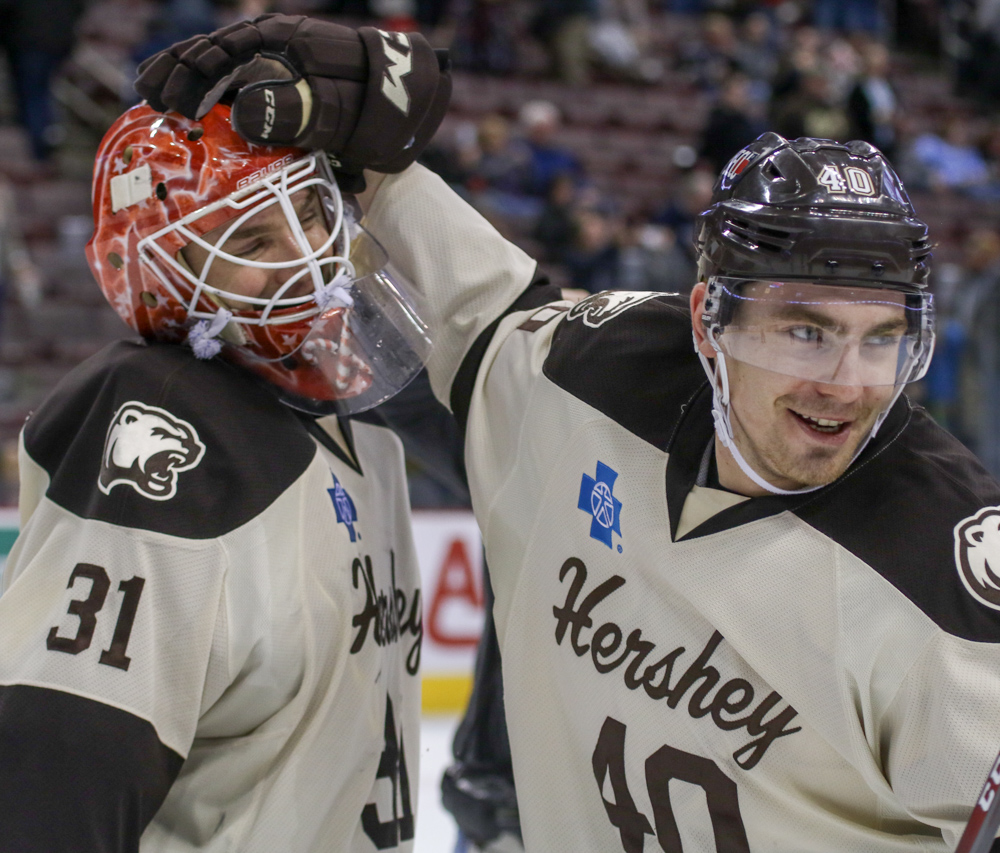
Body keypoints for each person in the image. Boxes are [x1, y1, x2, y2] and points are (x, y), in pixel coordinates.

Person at [141, 17, 1000, 851]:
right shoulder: (593, 377)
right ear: (708, 321)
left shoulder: (951, 579)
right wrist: (364, 131)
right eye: (804, 331)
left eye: (882, 338)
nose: (846, 383)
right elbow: (474, 302)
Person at [0, 18, 453, 850]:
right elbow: (55, 780)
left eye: (313, 211)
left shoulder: (364, 430)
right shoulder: (165, 425)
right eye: (252, 238)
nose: (311, 258)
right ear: (160, 277)